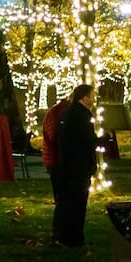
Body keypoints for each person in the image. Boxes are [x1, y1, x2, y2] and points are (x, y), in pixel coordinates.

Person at [55, 83, 99, 248]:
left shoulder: (67, 113)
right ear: (85, 98)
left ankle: (64, 236)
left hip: (68, 164)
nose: (94, 99)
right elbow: (87, 140)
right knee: (77, 204)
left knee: (68, 202)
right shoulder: (81, 116)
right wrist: (103, 140)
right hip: (79, 166)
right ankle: (73, 239)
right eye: (92, 96)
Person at [40, 95, 69, 245]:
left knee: (62, 198)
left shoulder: (58, 111)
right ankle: (58, 232)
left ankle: (62, 231)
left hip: (55, 160)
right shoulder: (60, 112)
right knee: (62, 198)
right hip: (57, 160)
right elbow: (53, 136)